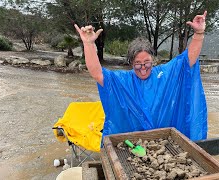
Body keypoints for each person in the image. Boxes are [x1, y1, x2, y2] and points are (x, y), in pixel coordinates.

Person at [74, 11, 208, 141]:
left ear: (153, 60)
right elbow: (97, 73)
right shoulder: (123, 81)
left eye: (147, 63)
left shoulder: (165, 75)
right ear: (131, 62)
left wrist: (199, 33)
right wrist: (88, 43)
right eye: (138, 63)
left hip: (163, 143)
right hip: (132, 145)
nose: (143, 68)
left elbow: (187, 61)